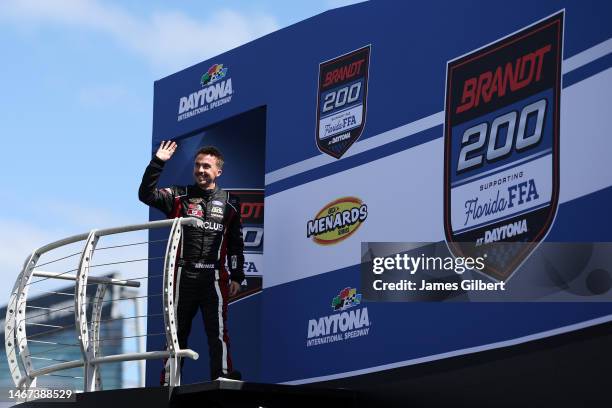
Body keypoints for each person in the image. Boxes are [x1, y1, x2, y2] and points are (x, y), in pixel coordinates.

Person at [138, 141, 244, 383]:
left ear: (219, 171)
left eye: (206, 166)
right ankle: (169, 380)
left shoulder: (230, 202)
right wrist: (158, 162)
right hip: (183, 276)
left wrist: (237, 276)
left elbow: (236, 243)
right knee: (176, 332)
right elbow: (146, 194)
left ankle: (223, 376)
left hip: (214, 277)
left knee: (217, 331)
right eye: (197, 165)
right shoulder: (179, 195)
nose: (200, 170)